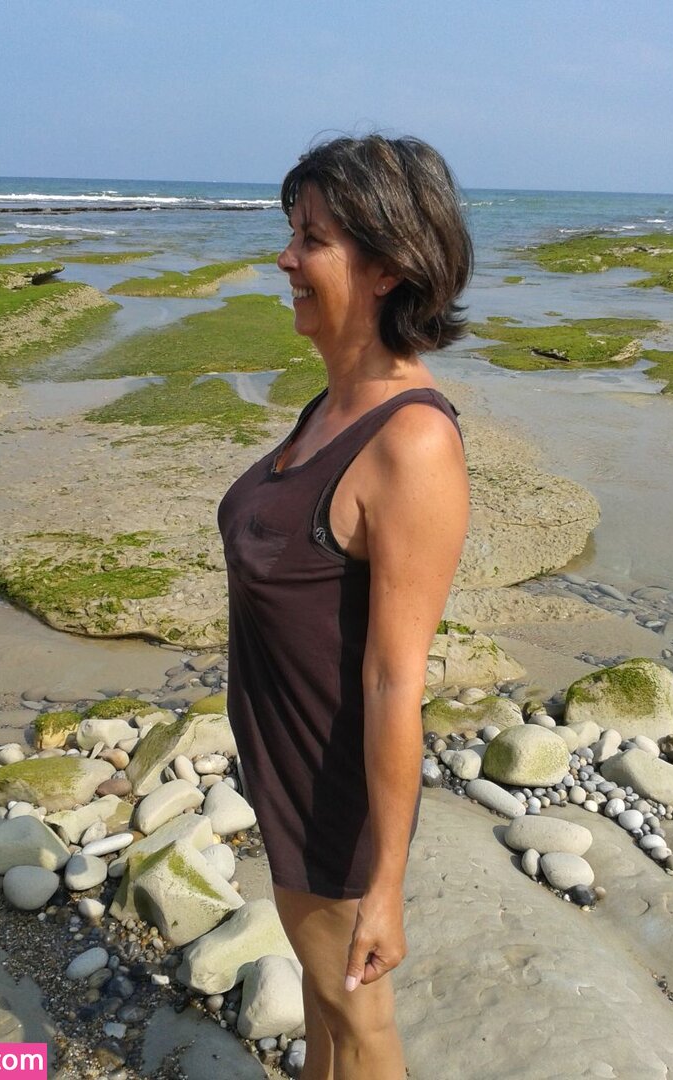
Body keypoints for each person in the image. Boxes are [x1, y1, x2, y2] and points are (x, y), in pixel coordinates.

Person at [218, 134, 472, 1080]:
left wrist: (385, 886)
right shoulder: (331, 406)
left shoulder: (412, 444)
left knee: (363, 1031)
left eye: (312, 238)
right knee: (328, 1016)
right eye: (292, 232)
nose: (286, 257)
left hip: (334, 806)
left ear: (388, 267)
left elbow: (396, 680)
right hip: (283, 771)